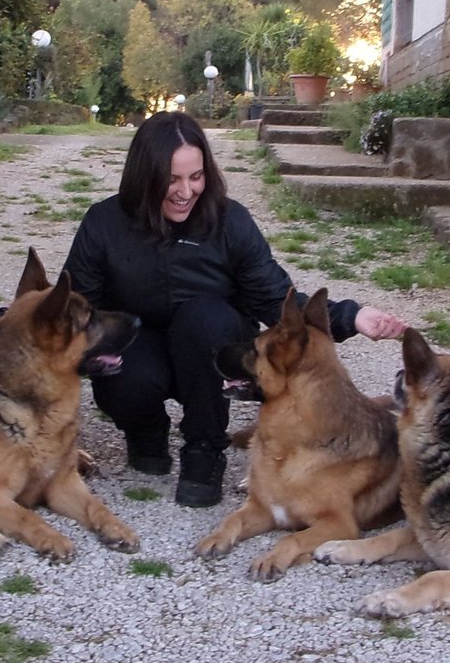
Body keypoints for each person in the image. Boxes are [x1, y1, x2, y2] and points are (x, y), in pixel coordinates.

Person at [61, 111, 406, 507]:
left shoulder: (231, 221)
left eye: (195, 177)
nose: (185, 191)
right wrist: (0, 322)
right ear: (143, 175)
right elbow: (72, 309)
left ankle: (204, 450)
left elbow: (277, 299)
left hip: (212, 352)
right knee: (121, 363)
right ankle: (146, 432)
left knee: (206, 316)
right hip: (144, 351)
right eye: (170, 179)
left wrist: (352, 316)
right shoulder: (103, 223)